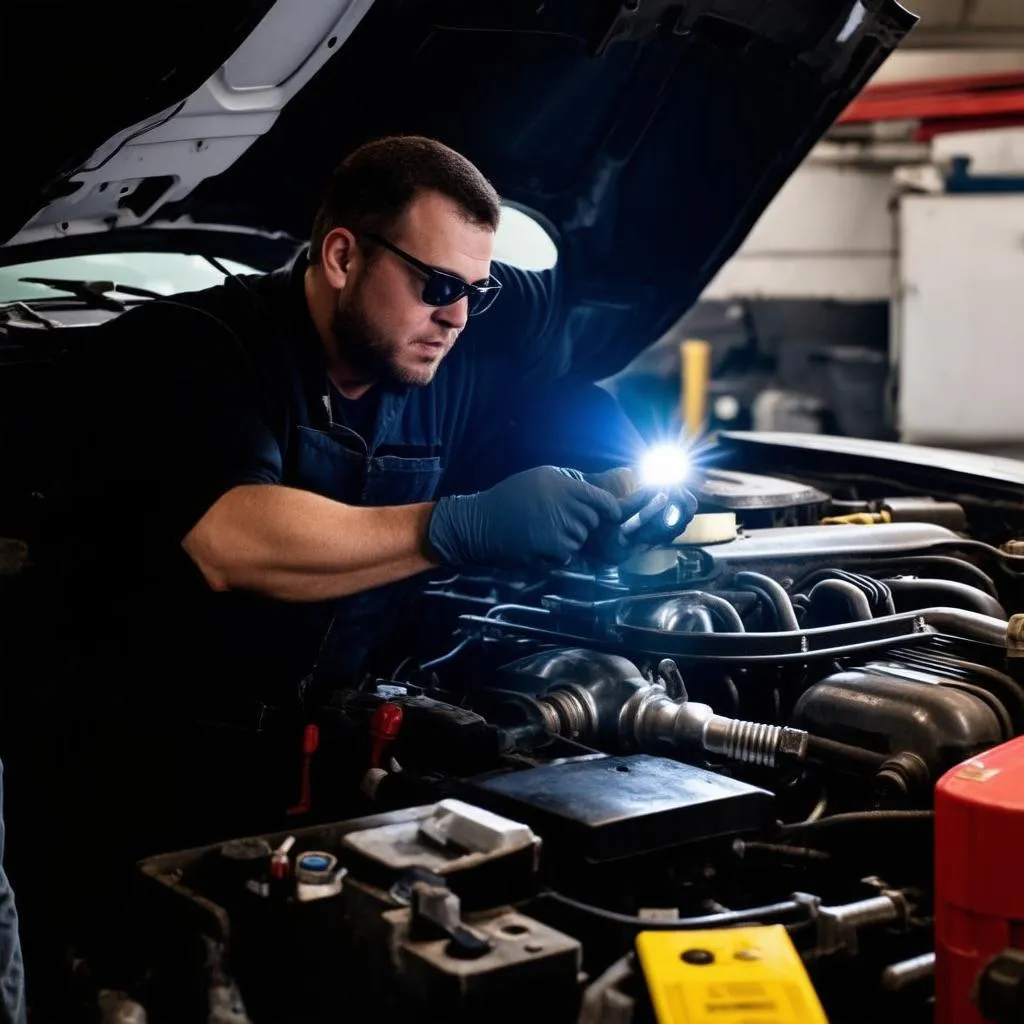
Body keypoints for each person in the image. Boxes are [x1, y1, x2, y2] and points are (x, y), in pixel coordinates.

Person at [66, 135, 696, 702]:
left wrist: (622, 481)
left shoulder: (450, 333)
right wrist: (459, 527)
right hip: (143, 748)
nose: (458, 318)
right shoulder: (186, 347)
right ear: (341, 257)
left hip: (338, 734)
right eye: (441, 287)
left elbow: (563, 391)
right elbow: (233, 542)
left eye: (476, 292)